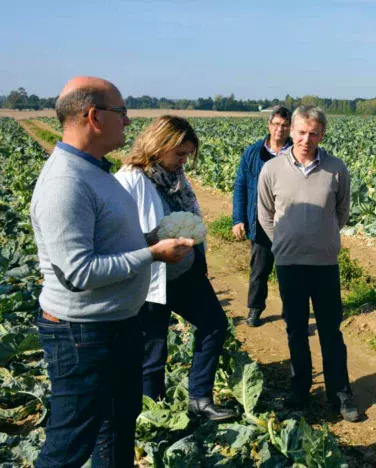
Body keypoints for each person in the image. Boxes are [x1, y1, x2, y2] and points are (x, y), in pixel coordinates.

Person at [30, 77, 193, 467]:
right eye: (121, 112)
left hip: (114, 326)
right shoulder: (64, 183)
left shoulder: (96, 171)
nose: (128, 120)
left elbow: (108, 242)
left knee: (116, 429)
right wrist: (152, 253)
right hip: (83, 335)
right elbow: (78, 272)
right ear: (93, 117)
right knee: (69, 445)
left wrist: (149, 237)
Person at [116, 116, 237, 422]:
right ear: (160, 145)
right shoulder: (130, 180)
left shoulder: (177, 176)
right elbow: (117, 236)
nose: (184, 160)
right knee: (153, 351)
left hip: (186, 274)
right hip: (151, 279)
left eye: (187, 154)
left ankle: (199, 398)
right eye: (180, 153)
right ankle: (153, 418)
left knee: (214, 325)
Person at [257, 106, 359, 422]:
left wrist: (322, 237)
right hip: (289, 263)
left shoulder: (336, 168)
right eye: (301, 132)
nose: (306, 139)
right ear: (291, 131)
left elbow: (341, 212)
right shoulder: (272, 169)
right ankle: (300, 391)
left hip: (324, 263)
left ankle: (341, 394)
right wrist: (286, 242)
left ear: (322, 134)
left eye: (313, 133)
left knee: (331, 330)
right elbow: (265, 214)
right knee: (296, 331)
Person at [232, 106, 293, 327]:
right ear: (269, 125)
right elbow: (240, 186)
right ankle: (255, 309)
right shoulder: (253, 152)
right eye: (276, 124)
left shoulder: (297, 153)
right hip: (260, 221)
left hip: (289, 222)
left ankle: (291, 313)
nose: (279, 129)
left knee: (290, 271)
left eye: (285, 125)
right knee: (259, 270)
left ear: (291, 128)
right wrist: (238, 218)